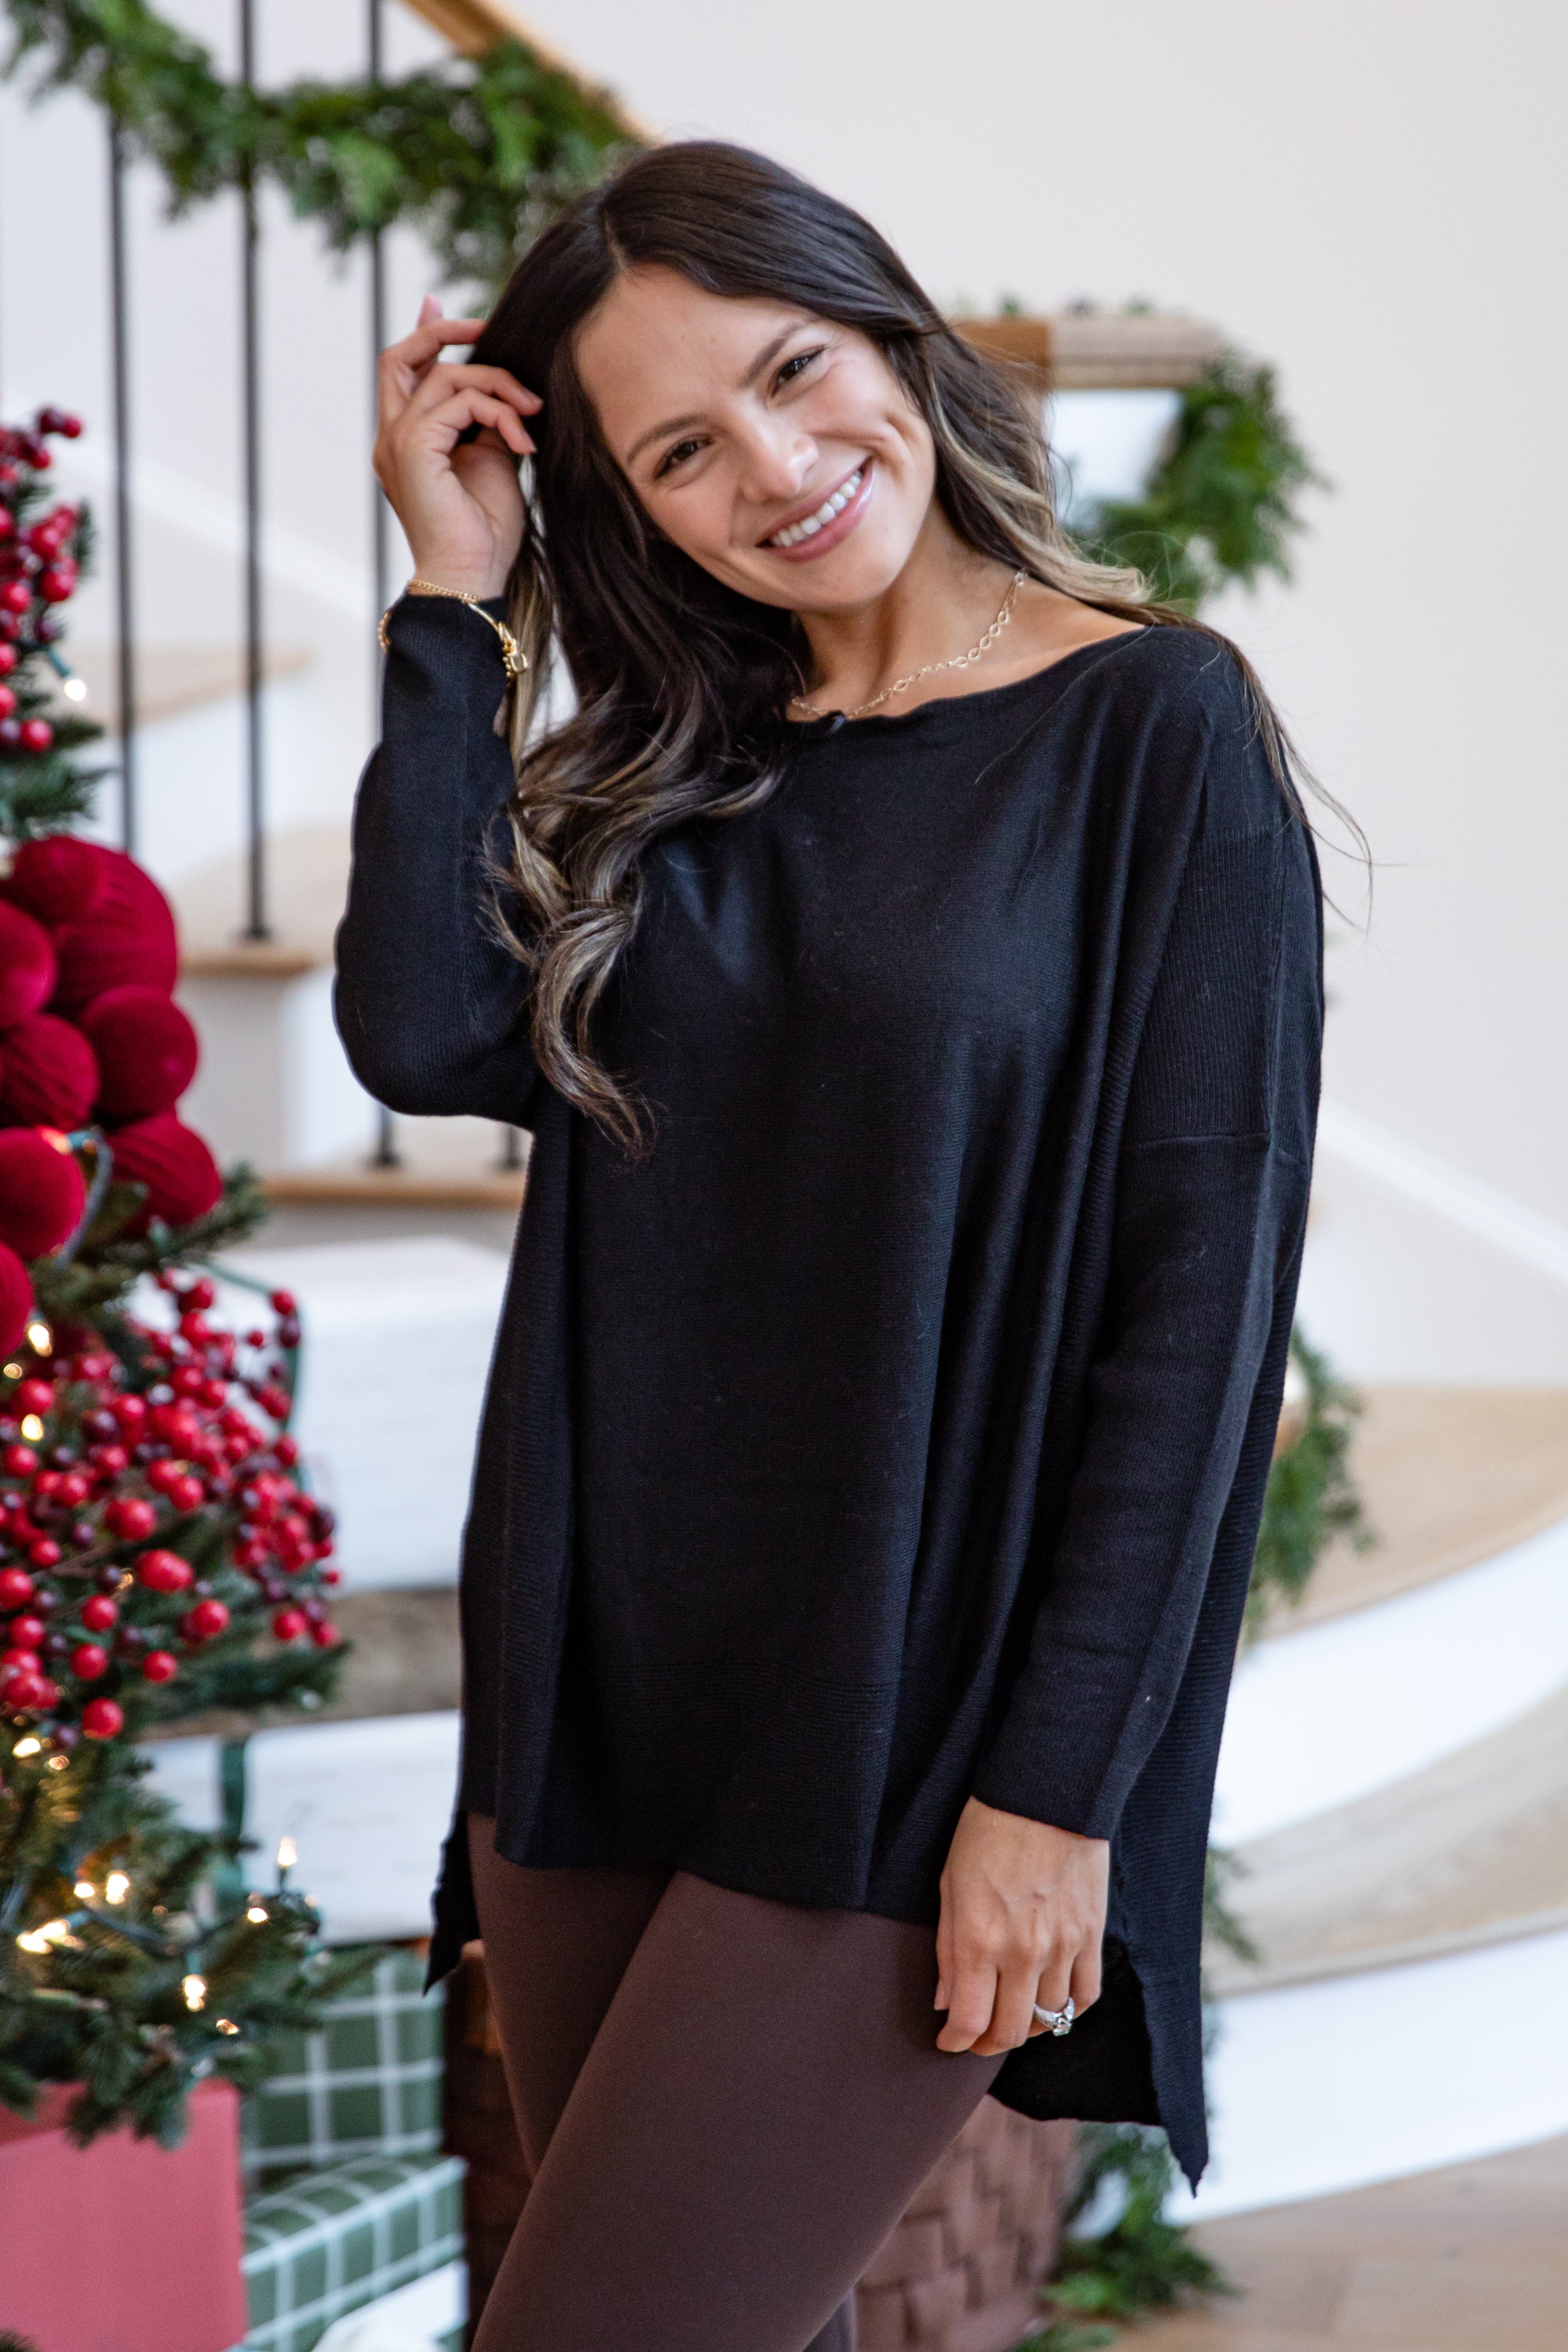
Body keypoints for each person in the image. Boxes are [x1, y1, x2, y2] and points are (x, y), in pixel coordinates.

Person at [337, 140, 1323, 2352]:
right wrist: (450, 598)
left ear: (890, 335)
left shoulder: (1154, 734)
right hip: (599, 1682)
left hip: (906, 1708)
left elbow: (1198, 1312)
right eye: (680, 450)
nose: (775, 466)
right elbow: (420, 1027)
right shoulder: (673, 759)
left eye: (795, 372)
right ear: (633, 504)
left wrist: (1056, 1794)